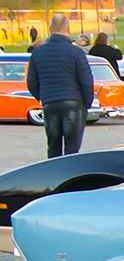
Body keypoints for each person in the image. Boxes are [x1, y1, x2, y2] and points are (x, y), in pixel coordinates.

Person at [26, 14, 94, 158]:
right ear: (68, 28)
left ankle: (54, 175)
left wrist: (43, 96)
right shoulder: (76, 52)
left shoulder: (37, 53)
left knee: (53, 146)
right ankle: (70, 176)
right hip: (73, 102)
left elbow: (31, 82)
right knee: (72, 149)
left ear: (50, 29)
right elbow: (87, 81)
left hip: (50, 102)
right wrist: (86, 103)